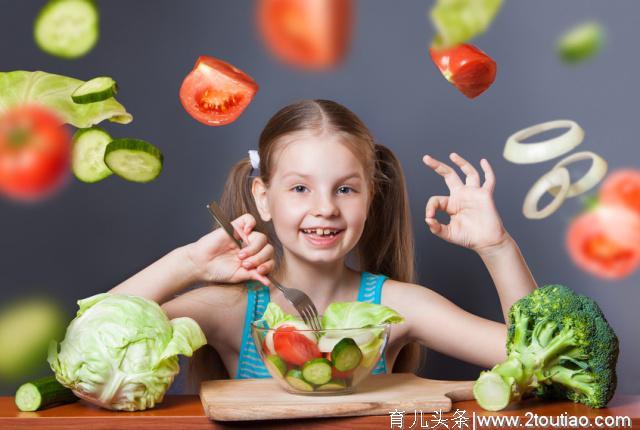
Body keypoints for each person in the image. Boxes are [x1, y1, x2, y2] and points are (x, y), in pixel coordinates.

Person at [110, 99, 537, 389]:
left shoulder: (399, 307)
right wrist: (187, 263)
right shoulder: (232, 311)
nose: (325, 208)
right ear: (264, 198)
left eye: (346, 190)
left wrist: (496, 247)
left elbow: (539, 363)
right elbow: (99, 341)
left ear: (371, 197)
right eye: (300, 189)